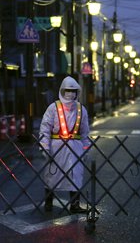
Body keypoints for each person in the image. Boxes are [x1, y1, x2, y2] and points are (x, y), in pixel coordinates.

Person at [39, 76, 91, 213]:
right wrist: (45, 147)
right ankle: (48, 203)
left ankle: (74, 205)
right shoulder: (53, 108)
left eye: (73, 90)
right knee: (52, 175)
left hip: (76, 148)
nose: (70, 93)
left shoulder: (81, 109)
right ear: (62, 90)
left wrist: (85, 149)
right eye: (67, 90)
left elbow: (85, 132)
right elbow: (45, 129)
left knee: (76, 175)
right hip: (57, 148)